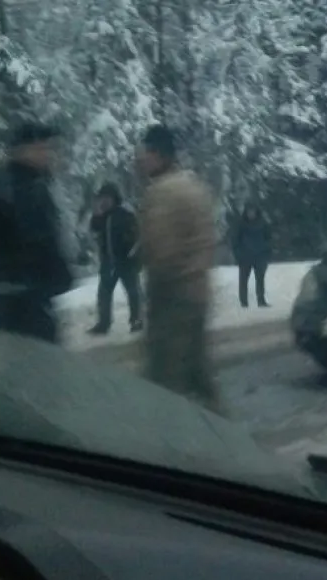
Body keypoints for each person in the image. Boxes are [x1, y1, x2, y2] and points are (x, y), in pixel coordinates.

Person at [135, 124, 222, 414]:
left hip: (172, 301)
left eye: (145, 153)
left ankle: (165, 449)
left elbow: (162, 252)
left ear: (159, 155)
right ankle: (223, 434)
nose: (141, 160)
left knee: (165, 381)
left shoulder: (163, 193)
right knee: (198, 375)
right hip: (196, 295)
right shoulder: (194, 187)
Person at [0, 122, 73, 344]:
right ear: (22, 151)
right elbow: (39, 243)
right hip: (24, 305)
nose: (48, 154)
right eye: (41, 148)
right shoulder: (26, 189)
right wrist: (59, 275)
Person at [87, 182, 143, 335]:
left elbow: (137, 235)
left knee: (133, 291)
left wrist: (133, 253)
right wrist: (96, 215)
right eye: (102, 198)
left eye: (107, 198)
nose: (104, 201)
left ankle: (136, 320)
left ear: (114, 198)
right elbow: (93, 230)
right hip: (108, 262)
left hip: (126, 261)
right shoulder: (101, 216)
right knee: (104, 293)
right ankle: (103, 323)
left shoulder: (124, 214)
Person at [230, 209, 271, 308]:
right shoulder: (241, 224)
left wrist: (266, 252)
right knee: (243, 281)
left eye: (252, 211)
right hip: (245, 257)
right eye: (249, 211)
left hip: (260, 256)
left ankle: (261, 300)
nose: (251, 214)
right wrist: (238, 255)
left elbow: (269, 238)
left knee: (260, 280)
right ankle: (243, 302)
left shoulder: (262, 223)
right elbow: (235, 240)